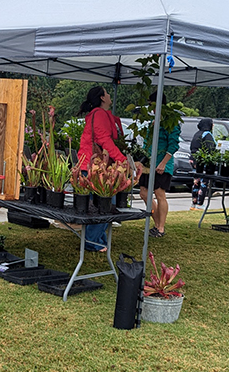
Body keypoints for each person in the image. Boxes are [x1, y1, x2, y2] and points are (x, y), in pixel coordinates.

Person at [77, 86, 125, 252]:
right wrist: (121, 159)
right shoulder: (99, 114)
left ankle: (99, 240)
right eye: (107, 93)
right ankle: (92, 241)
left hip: (90, 165)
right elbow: (104, 139)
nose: (110, 95)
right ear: (102, 98)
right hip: (94, 166)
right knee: (105, 204)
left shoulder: (98, 114)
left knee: (97, 205)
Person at [135, 93, 180, 238]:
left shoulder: (171, 122)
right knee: (144, 193)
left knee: (160, 193)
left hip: (162, 163)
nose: (151, 108)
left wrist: (163, 163)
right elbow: (148, 144)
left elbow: (173, 145)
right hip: (149, 162)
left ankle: (161, 227)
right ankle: (157, 223)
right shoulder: (153, 122)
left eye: (152, 104)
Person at [189, 117, 216, 210]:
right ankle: (200, 204)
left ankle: (194, 203)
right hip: (202, 160)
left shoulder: (197, 134)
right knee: (204, 182)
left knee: (196, 182)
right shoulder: (207, 134)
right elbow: (210, 148)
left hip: (193, 160)